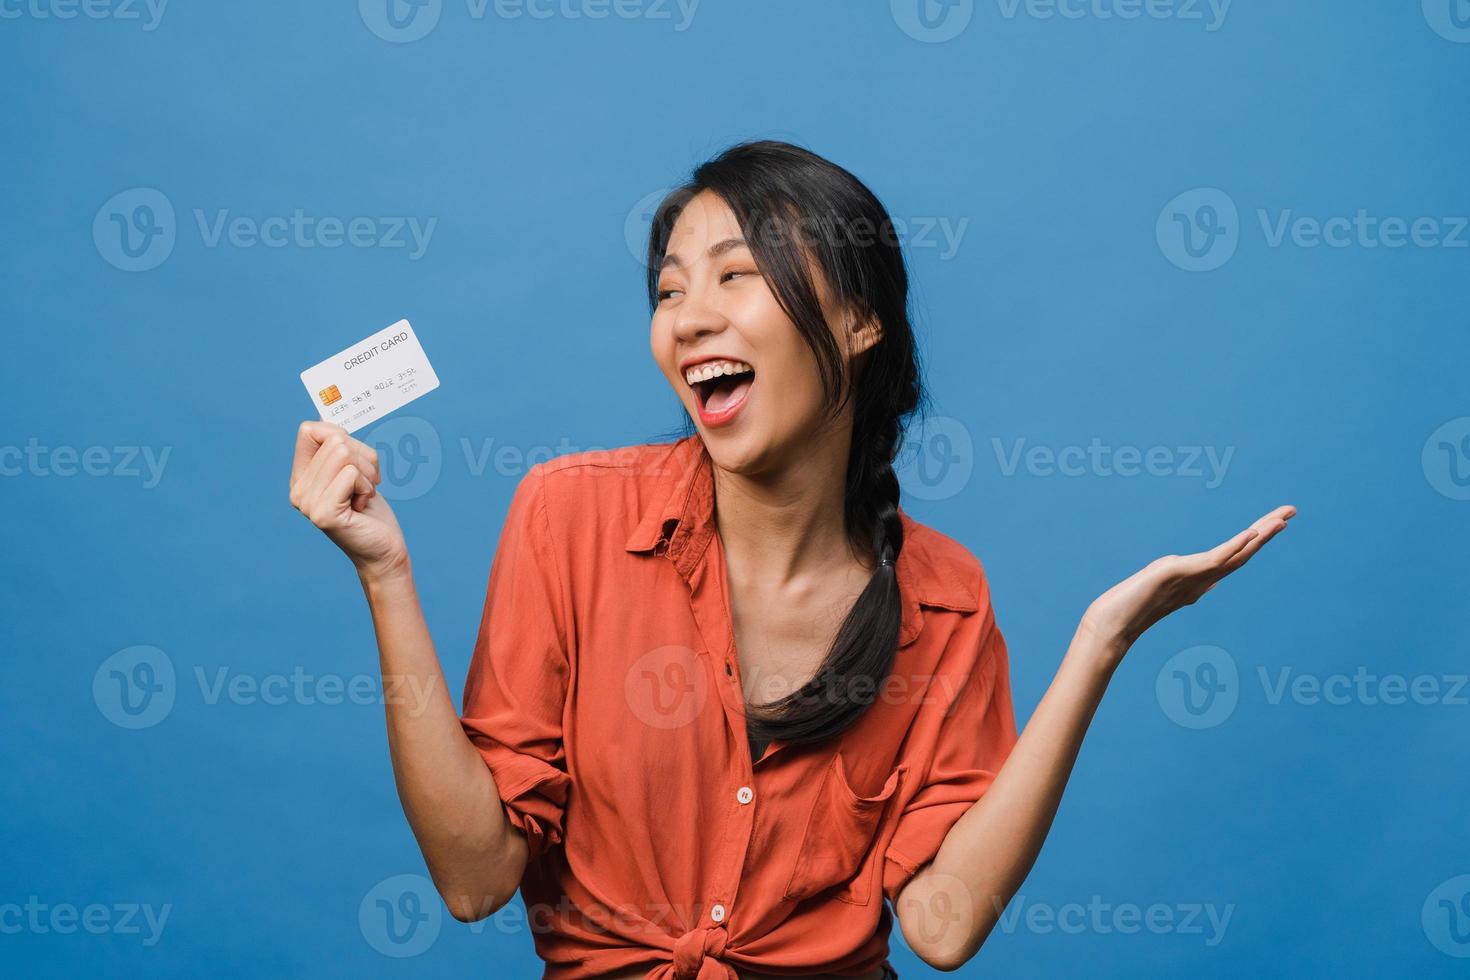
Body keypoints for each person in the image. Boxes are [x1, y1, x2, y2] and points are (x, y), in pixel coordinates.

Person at [287, 140, 1294, 979]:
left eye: (737, 273)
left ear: (858, 322)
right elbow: (473, 878)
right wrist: (384, 573)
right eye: (670, 288)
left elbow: (942, 924)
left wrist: (1100, 643)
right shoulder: (569, 516)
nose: (688, 317)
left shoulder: (945, 599)